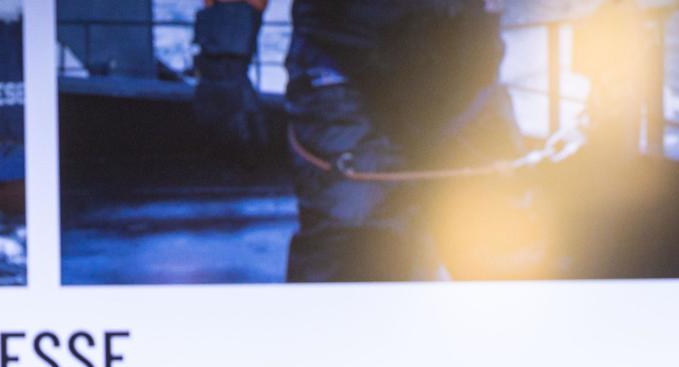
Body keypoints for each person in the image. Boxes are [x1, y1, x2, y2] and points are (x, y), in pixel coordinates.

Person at [194, 0, 532, 281]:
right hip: (343, 72)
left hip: (466, 76)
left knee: (502, 255)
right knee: (355, 256)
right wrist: (223, 65)